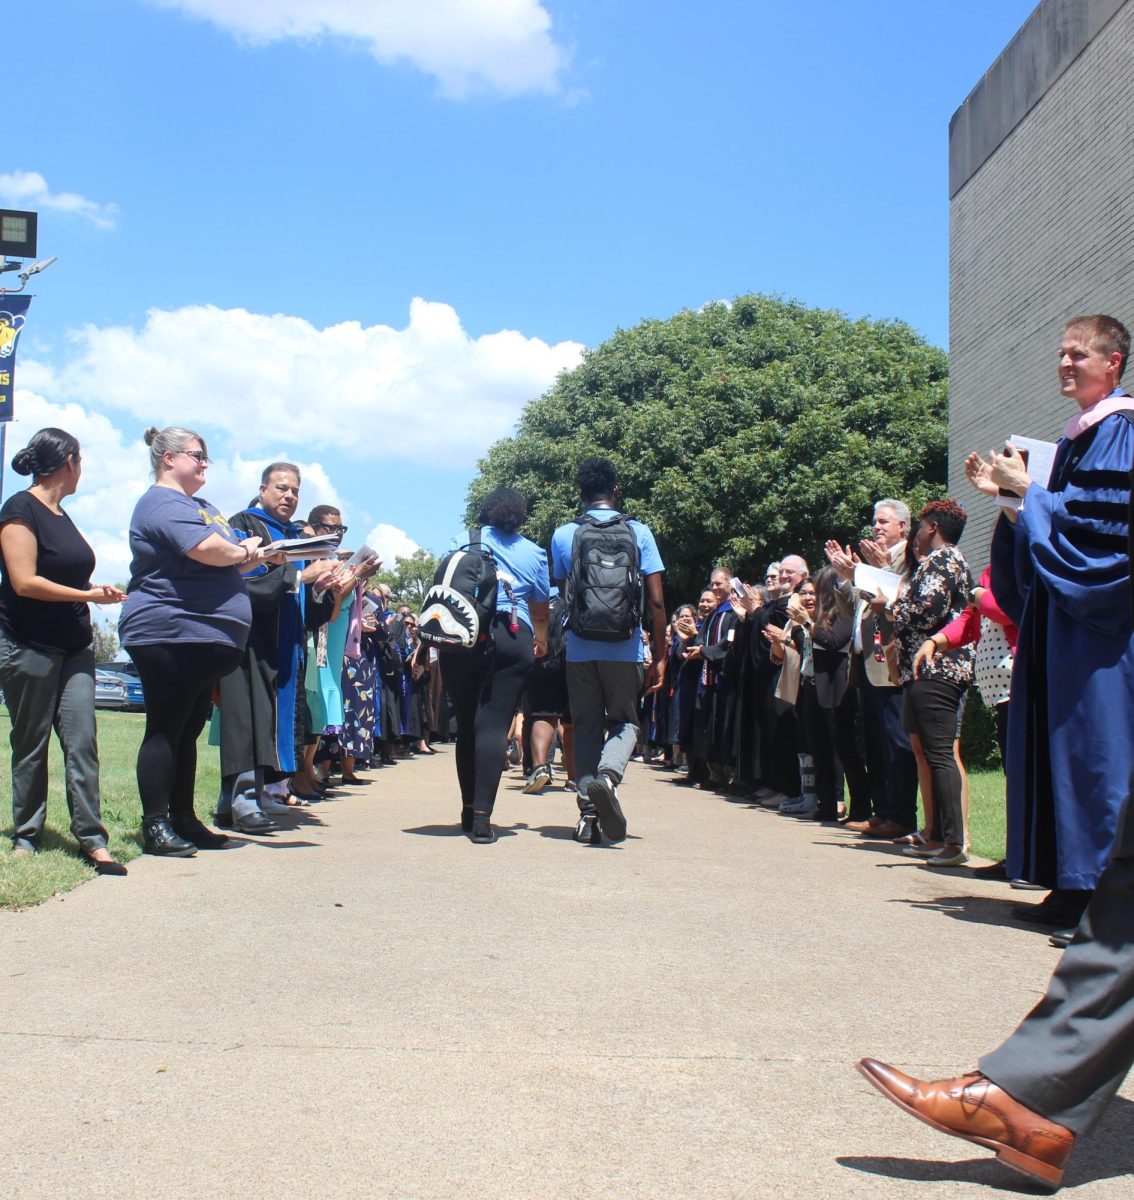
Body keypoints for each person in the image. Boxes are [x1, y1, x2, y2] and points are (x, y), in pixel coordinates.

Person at [970, 313, 1134, 931]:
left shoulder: (1121, 432)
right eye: (1061, 353)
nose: (1064, 363)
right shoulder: (1075, 439)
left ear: (1112, 362)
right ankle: (1070, 886)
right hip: (1061, 618)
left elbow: (1103, 531)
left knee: (1097, 752)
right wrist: (1010, 499)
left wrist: (1029, 493)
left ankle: (1106, 903)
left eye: (1077, 354)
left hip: (1100, 628)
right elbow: (1059, 519)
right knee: (1059, 748)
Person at [119, 426, 280, 856]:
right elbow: (209, 551)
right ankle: (155, 824)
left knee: (186, 731)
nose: (204, 463)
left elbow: (229, 563)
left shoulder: (203, 506)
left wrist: (252, 556)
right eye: (196, 455)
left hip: (205, 636)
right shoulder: (160, 502)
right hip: (170, 631)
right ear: (168, 458)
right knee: (166, 728)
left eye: (206, 456)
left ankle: (184, 819)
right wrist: (244, 552)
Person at [0, 428, 127, 874]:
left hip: (75, 648)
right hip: (28, 644)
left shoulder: (61, 514)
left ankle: (92, 839)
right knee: (30, 743)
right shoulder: (20, 509)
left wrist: (93, 591)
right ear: (70, 461)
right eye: (82, 460)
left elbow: (66, 579)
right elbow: (24, 581)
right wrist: (88, 598)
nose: (83, 469)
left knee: (81, 742)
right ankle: (27, 835)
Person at [215, 463, 337, 833]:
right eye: (282, 488)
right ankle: (241, 799)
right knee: (246, 719)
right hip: (251, 640)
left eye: (295, 491)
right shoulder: (243, 527)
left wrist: (319, 587)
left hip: (284, 645)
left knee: (267, 720)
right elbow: (247, 584)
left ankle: (239, 801)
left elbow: (307, 607)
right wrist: (301, 575)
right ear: (262, 489)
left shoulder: (296, 537)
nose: (289, 496)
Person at [550, 457, 666, 845]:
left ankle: (587, 814)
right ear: (616, 491)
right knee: (625, 722)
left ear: (581, 493)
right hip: (625, 645)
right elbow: (656, 603)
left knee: (584, 725)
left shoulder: (565, 534)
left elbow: (563, 595)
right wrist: (661, 654)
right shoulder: (639, 532)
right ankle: (608, 777)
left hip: (580, 648)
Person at [438, 487, 549, 843]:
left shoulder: (463, 540)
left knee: (468, 725)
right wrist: (542, 639)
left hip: (465, 634)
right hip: (513, 636)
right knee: (493, 724)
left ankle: (467, 812)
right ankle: (484, 820)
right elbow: (541, 608)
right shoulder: (534, 553)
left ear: (485, 513)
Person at [888, 500, 974, 867]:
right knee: (926, 751)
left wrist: (890, 606)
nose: (918, 534)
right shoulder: (938, 562)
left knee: (940, 754)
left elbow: (929, 611)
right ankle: (936, 833)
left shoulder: (944, 560)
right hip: (922, 670)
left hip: (941, 667)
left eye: (921, 526)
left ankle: (954, 842)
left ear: (933, 527)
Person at [827, 499, 919, 839]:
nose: (876, 527)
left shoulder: (909, 559)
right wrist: (844, 578)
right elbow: (852, 607)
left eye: (883, 522)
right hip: (866, 665)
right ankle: (882, 812)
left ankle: (902, 815)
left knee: (897, 743)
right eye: (874, 522)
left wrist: (877, 571)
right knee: (876, 744)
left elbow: (900, 597)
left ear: (903, 528)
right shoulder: (870, 562)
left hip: (891, 664)